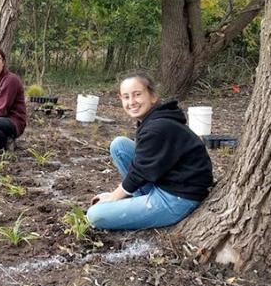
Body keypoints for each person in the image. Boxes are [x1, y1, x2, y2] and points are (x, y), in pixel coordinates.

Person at [86, 72, 213, 230]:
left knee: (95, 215)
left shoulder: (158, 127)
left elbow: (139, 171)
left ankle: (142, 206)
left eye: (137, 94)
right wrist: (116, 195)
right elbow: (145, 163)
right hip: (166, 182)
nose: (131, 102)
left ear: (152, 96)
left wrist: (113, 198)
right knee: (120, 145)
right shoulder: (154, 119)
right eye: (126, 97)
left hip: (178, 197)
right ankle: (138, 201)